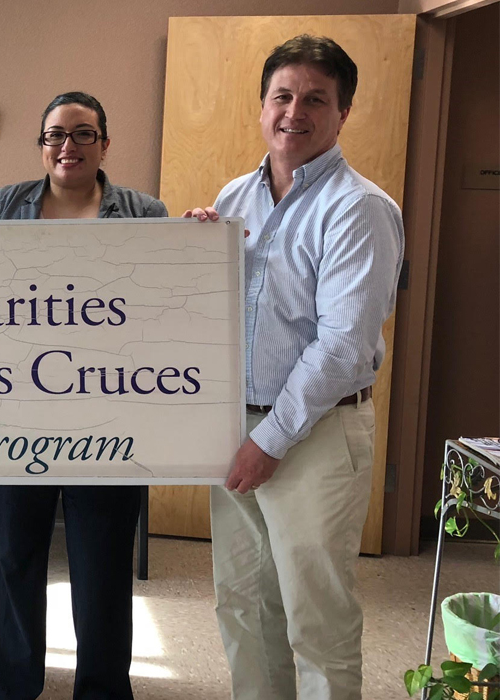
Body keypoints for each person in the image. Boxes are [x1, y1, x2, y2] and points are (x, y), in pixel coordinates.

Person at [184, 35, 403, 700]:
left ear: (343, 114)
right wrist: (192, 253)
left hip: (313, 437)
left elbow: (341, 347)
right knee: (244, 609)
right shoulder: (235, 198)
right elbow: (218, 312)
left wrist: (268, 442)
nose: (294, 111)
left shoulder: (359, 209)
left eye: (315, 99)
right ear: (261, 107)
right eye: (282, 96)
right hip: (236, 430)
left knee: (317, 622)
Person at [0, 91, 165, 700]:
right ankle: (12, 685)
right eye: (56, 135)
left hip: (109, 419)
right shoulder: (5, 206)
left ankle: (104, 690)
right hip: (18, 418)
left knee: (103, 568)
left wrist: (201, 244)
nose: (69, 147)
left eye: (84, 134)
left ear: (105, 144)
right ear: (41, 146)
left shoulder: (142, 211)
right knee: (14, 560)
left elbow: (166, 306)